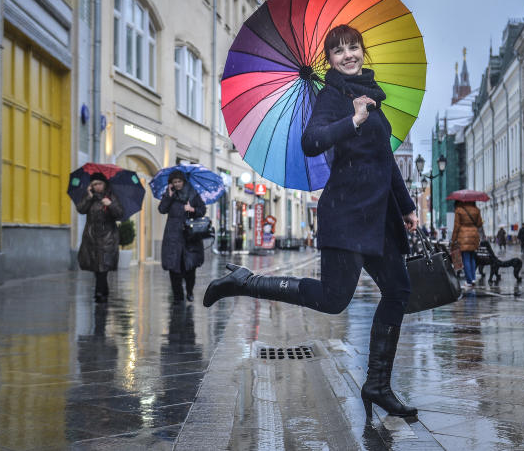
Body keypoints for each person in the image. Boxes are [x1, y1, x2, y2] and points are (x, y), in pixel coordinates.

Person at [203, 24, 419, 420]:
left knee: (399, 291)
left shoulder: (375, 99)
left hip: (380, 217)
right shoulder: (332, 97)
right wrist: (351, 121)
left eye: (354, 47)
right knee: (335, 300)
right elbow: (311, 141)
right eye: (339, 51)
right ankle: (245, 281)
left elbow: (385, 160)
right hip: (347, 214)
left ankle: (377, 384)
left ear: (362, 51)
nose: (348, 55)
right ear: (329, 60)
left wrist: (406, 207)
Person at [159, 169, 206, 304]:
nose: (177, 184)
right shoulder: (170, 195)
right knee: (174, 268)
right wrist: (169, 195)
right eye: (175, 182)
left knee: (189, 268)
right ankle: (178, 297)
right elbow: (162, 209)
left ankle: (190, 291)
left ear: (184, 181)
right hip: (172, 237)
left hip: (189, 237)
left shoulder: (193, 194)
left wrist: (192, 210)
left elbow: (202, 210)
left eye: (179, 181)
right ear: (171, 183)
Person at [76, 173, 124, 303]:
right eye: (94, 184)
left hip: (108, 237)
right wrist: (88, 197)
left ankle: (99, 294)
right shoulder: (90, 198)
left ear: (105, 184)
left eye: (99, 184)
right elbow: (80, 209)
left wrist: (110, 204)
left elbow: (120, 214)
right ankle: (104, 291)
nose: (97, 187)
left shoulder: (111, 196)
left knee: (102, 268)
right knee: (97, 268)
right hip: (92, 237)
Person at [451, 200, 483, 287]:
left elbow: (456, 226)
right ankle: (473, 278)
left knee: (466, 258)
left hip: (463, 236)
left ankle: (469, 281)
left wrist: (453, 240)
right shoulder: (476, 210)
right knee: (472, 257)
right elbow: (479, 224)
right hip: (474, 236)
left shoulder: (459, 210)